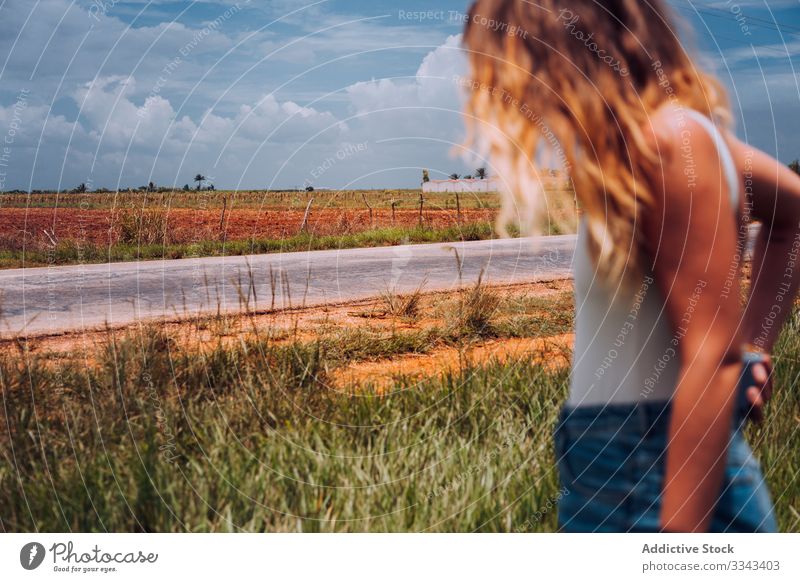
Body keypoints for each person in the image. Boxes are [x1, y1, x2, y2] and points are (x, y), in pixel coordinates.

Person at [462, 0, 800, 532]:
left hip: (650, 468)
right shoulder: (650, 145)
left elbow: (712, 354)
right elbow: (793, 217)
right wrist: (757, 342)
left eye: (524, 60)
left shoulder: (671, 143)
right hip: (613, 464)